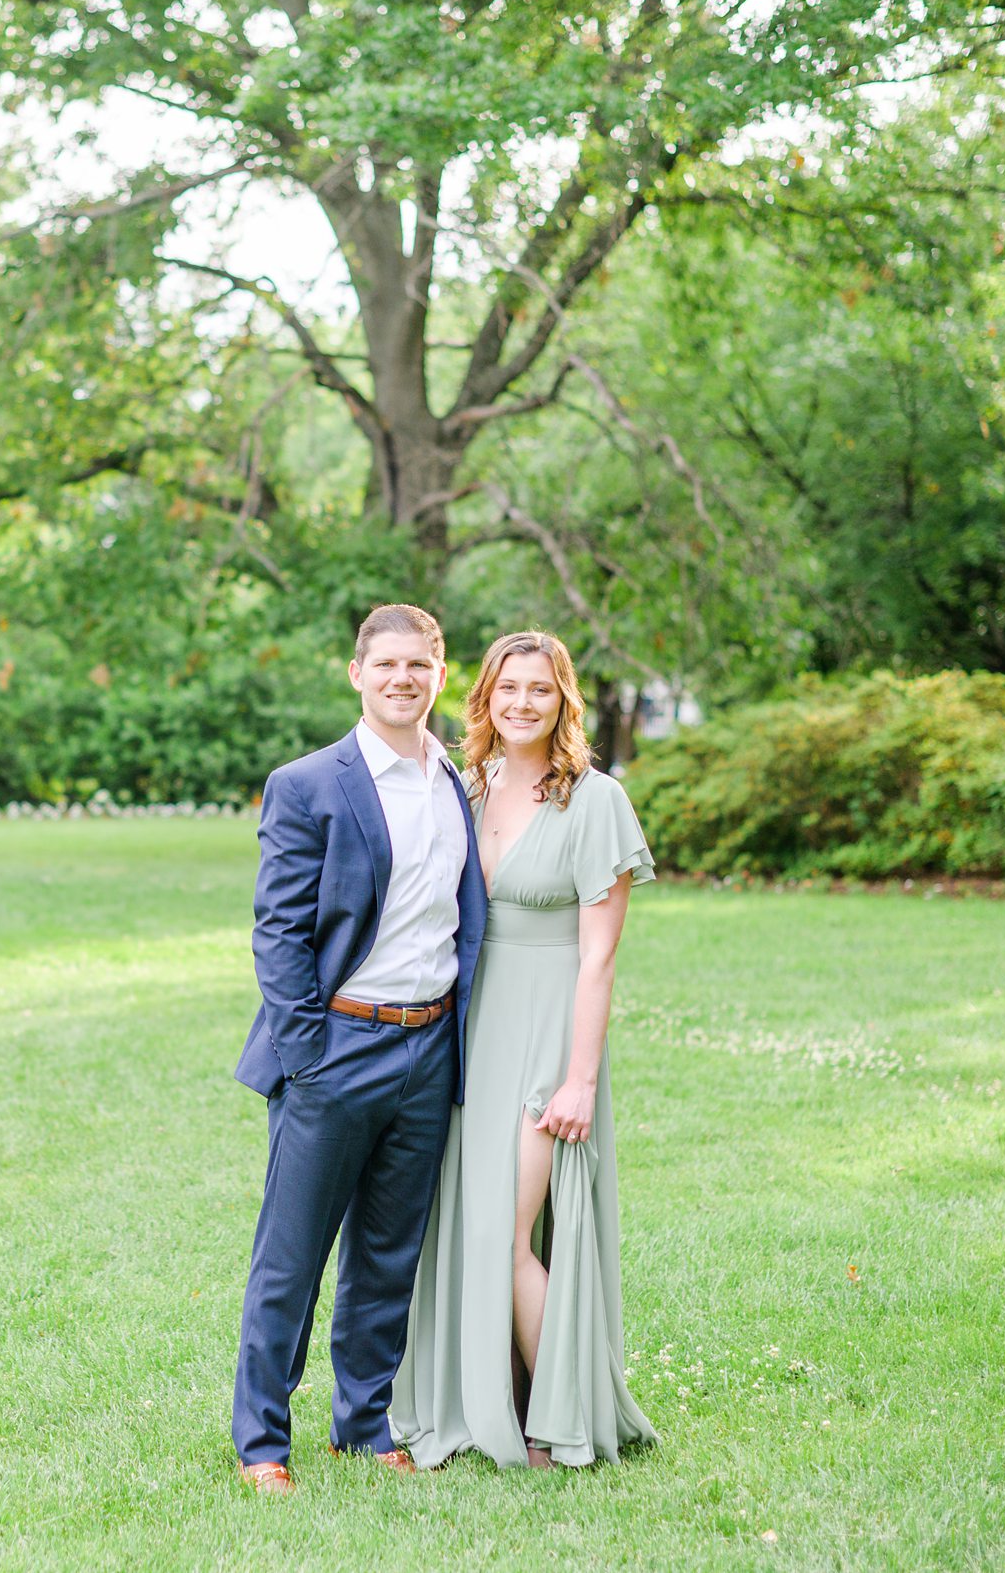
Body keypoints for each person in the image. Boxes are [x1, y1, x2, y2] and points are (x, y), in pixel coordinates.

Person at [231, 604, 488, 1496]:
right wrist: (308, 1057)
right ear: (356, 672)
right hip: (336, 1046)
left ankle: (363, 1425)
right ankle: (263, 1443)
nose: (402, 679)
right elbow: (279, 933)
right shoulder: (308, 783)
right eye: (386, 665)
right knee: (291, 1259)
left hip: (428, 1050)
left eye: (419, 665)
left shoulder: (457, 778)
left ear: (439, 674)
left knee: (388, 1254)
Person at [390, 630, 658, 1470]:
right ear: (485, 697)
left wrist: (578, 1077)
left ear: (563, 699)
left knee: (509, 1233)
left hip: (547, 1032)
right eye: (508, 688)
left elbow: (599, 958)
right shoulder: (465, 787)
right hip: (467, 1029)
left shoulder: (594, 800)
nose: (522, 703)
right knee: (469, 1226)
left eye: (540, 689)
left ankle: (561, 1417)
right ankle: (484, 1397)